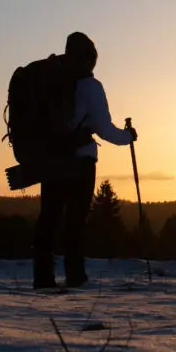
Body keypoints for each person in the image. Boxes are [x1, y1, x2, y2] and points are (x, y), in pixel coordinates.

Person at [32, 31, 136, 289]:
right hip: (80, 163)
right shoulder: (91, 87)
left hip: (52, 159)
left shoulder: (52, 83)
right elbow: (104, 129)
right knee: (75, 222)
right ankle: (75, 277)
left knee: (49, 217)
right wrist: (127, 137)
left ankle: (42, 277)